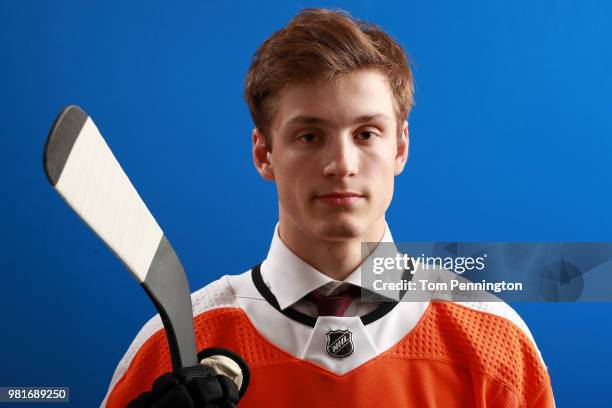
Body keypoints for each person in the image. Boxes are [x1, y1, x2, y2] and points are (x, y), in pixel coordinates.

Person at [102, 8, 555, 407]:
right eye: (309, 136)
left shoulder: (494, 341)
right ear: (264, 154)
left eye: (366, 134)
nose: (341, 165)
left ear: (400, 148)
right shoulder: (174, 345)